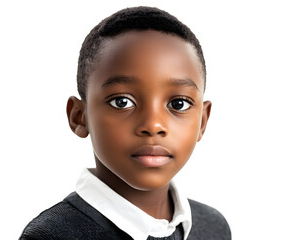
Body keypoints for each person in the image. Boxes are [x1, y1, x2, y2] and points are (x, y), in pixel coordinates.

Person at [19, 6, 231, 240]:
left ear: (202, 121)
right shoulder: (51, 236)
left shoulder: (213, 228)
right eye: (122, 102)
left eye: (178, 104)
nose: (153, 125)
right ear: (79, 117)